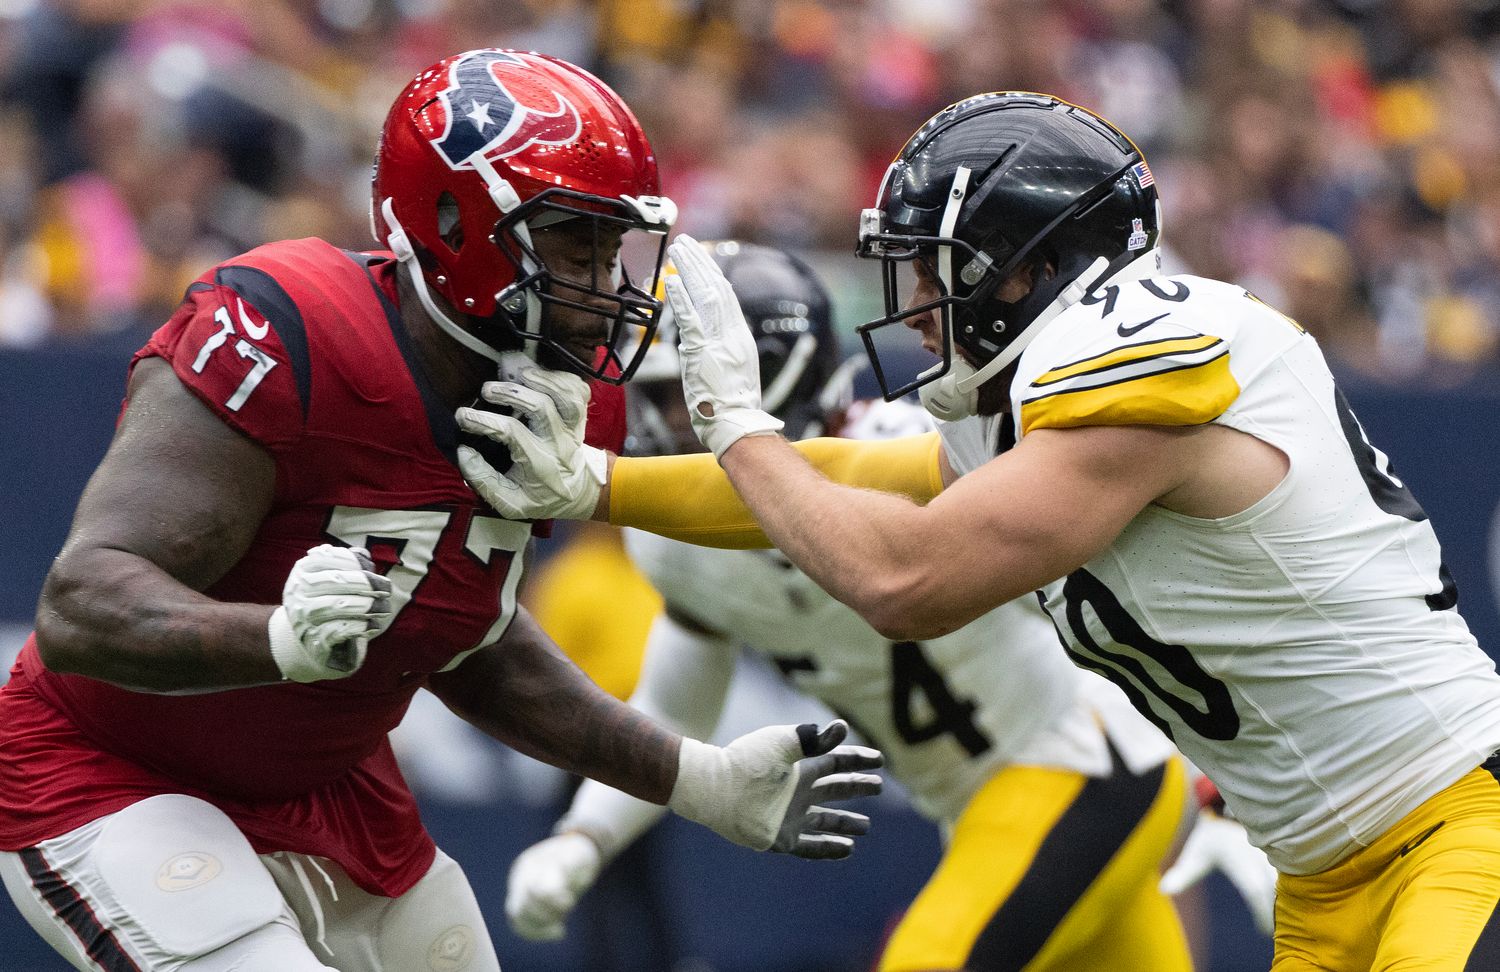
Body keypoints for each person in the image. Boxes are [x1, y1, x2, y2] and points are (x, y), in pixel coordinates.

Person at [463, 94, 1500, 970]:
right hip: (1323, 876)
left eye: (932, 268)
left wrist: (737, 426)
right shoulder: (1028, 410)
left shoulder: (1136, 364)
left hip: (1454, 826)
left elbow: (905, 577)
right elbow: (852, 474)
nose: (915, 306)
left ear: (1024, 269)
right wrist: (598, 483)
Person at [0, 49, 881, 972]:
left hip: (332, 792)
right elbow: (82, 604)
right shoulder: (294, 327)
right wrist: (275, 640)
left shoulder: (566, 393)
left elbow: (469, 638)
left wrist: (693, 780)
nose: (604, 279)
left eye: (611, 241)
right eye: (572, 239)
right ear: (455, 218)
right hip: (115, 770)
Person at [505, 240, 1274, 971]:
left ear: (771, 379)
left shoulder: (905, 452)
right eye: (653, 396)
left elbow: (1104, 608)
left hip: (1079, 771)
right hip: (980, 814)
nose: (657, 425)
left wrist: (1222, 765)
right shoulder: (678, 548)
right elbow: (676, 707)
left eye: (683, 394)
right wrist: (584, 836)